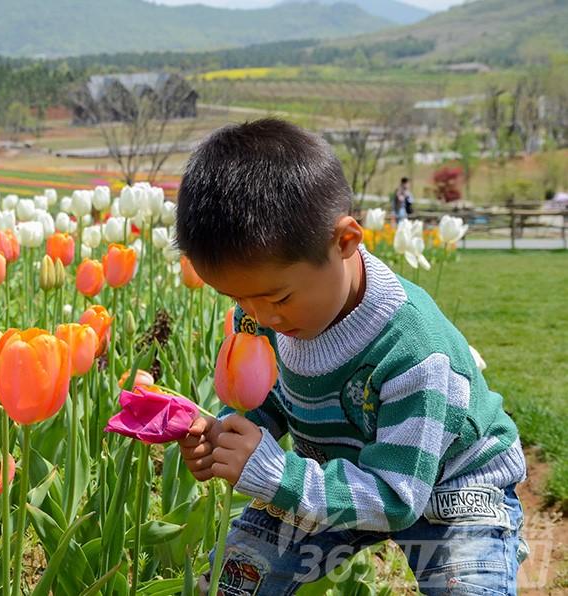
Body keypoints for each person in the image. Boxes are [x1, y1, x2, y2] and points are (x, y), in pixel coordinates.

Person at [175, 119, 526, 595]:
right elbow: (270, 397)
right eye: (238, 299)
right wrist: (222, 437)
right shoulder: (264, 314)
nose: (258, 317)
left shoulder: (413, 350)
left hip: (451, 484)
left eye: (276, 298)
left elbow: (397, 497)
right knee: (232, 580)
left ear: (344, 242)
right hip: (334, 477)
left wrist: (276, 475)